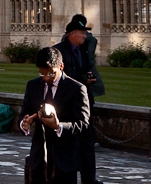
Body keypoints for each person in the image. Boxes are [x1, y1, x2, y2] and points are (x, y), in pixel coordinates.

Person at [20, 47, 90, 184]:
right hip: (39, 158)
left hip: (64, 160)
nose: (46, 78)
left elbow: (83, 123)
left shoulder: (76, 89)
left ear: (61, 66)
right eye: (42, 74)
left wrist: (59, 126)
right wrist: (24, 123)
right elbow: (24, 113)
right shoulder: (33, 86)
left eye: (51, 74)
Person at [54, 14, 101, 184]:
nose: (85, 36)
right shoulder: (58, 51)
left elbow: (87, 68)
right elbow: (59, 78)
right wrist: (81, 79)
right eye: (82, 33)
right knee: (68, 145)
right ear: (72, 34)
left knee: (87, 144)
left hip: (84, 104)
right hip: (67, 107)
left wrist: (89, 78)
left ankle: (89, 179)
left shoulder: (83, 50)